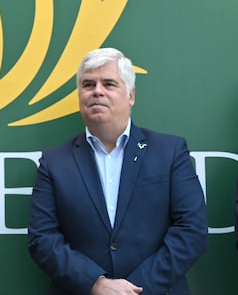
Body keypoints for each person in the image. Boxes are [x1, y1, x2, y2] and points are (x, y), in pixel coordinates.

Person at [27, 48, 208, 295]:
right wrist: (95, 283)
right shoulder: (54, 161)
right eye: (88, 84)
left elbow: (192, 230)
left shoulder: (170, 152)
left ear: (130, 95)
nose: (97, 91)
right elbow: (43, 238)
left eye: (109, 84)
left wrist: (137, 289)